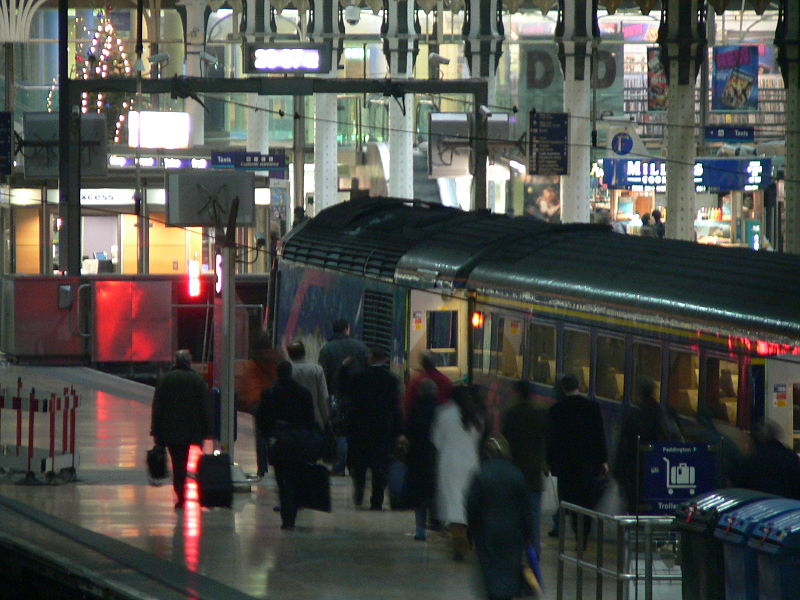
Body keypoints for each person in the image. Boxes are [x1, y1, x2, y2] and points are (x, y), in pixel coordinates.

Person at [467, 435, 533, 600]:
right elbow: (525, 508)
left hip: (486, 531)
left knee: (490, 568)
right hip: (513, 532)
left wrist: (471, 531)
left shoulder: (481, 473)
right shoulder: (516, 474)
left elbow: (472, 505)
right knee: (509, 569)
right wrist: (528, 533)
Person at [547, 374, 608, 544]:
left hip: (566, 466)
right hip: (587, 465)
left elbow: (552, 440)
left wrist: (550, 462)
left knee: (569, 501)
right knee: (586, 501)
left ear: (563, 389)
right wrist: (603, 460)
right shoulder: (592, 408)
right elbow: (599, 436)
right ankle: (584, 534)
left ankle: (575, 529)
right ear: (578, 386)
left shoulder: (556, 410)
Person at [150, 349, 213, 510]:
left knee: (178, 464)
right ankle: (197, 492)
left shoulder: (165, 380)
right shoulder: (198, 381)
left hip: (170, 432)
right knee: (190, 463)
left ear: (176, 362)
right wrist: (207, 430)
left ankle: (181, 497)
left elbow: (158, 407)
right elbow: (204, 408)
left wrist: (155, 430)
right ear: (189, 363)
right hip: (192, 431)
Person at [256, 360, 316, 530]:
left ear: (277, 373)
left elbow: (262, 419)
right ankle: (293, 510)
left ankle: (287, 518)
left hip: (279, 443)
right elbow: (310, 420)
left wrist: (269, 436)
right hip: (298, 443)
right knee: (295, 478)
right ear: (291, 373)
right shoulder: (303, 393)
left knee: (282, 481)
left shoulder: (270, 393)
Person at [345, 347, 403, 510]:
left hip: (360, 429)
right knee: (380, 467)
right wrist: (399, 430)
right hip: (383, 430)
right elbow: (395, 407)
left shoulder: (359, 378)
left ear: (370, 359)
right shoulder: (391, 380)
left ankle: (359, 492)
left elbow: (348, 397)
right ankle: (376, 500)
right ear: (384, 360)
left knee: (360, 464)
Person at [613, 376, 681, 514]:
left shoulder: (633, 417)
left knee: (636, 508)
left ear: (639, 395)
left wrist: (618, 472)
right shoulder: (666, 413)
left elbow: (624, 447)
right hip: (664, 469)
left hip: (637, 471)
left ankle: (634, 532)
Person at [432, 385, 484, 560]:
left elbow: (436, 441)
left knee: (452, 501)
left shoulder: (444, 413)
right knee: (467, 501)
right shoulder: (475, 416)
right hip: (471, 463)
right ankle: (465, 535)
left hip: (449, 463)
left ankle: (458, 537)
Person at [501, 379, 548, 557]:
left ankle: (515, 547)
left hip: (515, 472)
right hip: (534, 473)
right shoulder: (540, 415)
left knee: (514, 514)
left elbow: (506, 442)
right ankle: (534, 548)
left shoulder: (512, 414)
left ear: (517, 393)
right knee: (534, 515)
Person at [318, 319, 369, 475]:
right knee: (356, 433)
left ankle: (339, 466)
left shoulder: (327, 349)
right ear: (347, 329)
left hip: (336, 397)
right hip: (358, 397)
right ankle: (355, 467)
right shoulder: (361, 347)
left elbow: (323, 375)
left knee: (340, 432)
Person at [403, 378, 439, 541]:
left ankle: (420, 530)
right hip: (434, 457)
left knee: (418, 495)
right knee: (432, 492)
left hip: (417, 457)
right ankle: (435, 522)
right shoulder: (439, 410)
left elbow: (408, 431)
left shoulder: (415, 409)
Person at [735, 420, 800, 499]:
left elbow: (741, 484)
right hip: (786, 504)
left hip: (760, 504)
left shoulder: (754, 459)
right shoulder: (789, 456)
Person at [286, 339, 329, 429]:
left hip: (291, 423)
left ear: (289, 354)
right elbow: (323, 398)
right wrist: (327, 421)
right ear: (304, 352)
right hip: (314, 421)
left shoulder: (287, 371)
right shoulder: (317, 370)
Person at [404, 351, 453, 417]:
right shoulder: (445, 380)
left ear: (421, 363)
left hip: (420, 418)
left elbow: (408, 403)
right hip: (441, 417)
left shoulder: (416, 381)